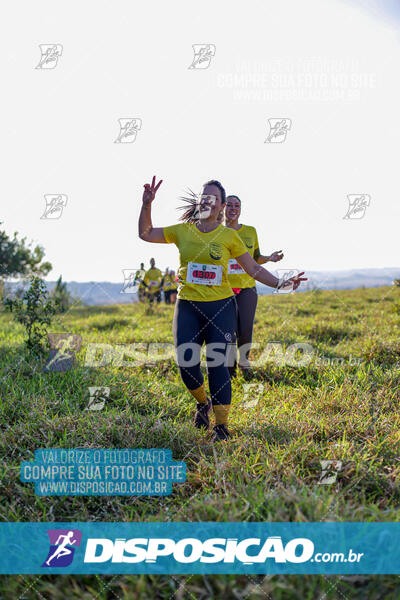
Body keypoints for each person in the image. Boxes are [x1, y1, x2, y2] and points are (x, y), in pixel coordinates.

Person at [139, 176, 306, 442]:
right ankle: (202, 403)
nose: (207, 200)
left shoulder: (229, 236)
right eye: (203, 195)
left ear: (220, 206)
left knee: (218, 365)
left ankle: (221, 426)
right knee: (186, 363)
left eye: (213, 197)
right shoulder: (182, 231)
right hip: (188, 306)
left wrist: (280, 283)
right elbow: (146, 233)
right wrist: (147, 204)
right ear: (199, 202)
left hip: (221, 307)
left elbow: (253, 268)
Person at [224, 195, 284, 376]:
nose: (233, 208)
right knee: (227, 332)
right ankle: (229, 371)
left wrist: (269, 258)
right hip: (223, 290)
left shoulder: (250, 231)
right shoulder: (216, 232)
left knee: (245, 329)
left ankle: (244, 361)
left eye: (237, 205)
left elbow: (255, 259)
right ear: (222, 208)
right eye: (229, 205)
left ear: (240, 209)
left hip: (247, 288)